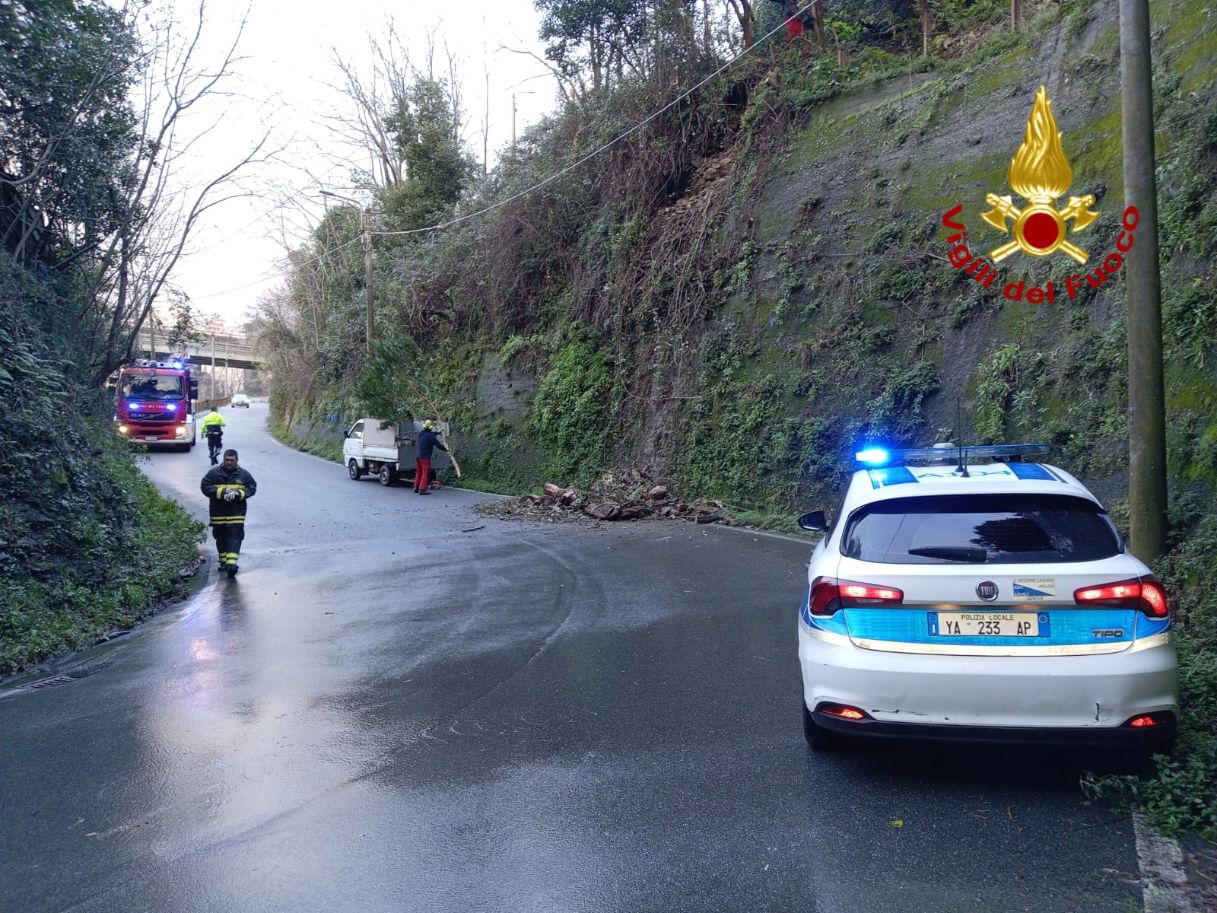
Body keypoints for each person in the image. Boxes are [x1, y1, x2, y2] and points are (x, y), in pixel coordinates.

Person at [200, 449, 257, 577]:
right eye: (227, 460)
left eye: (232, 460)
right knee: (220, 537)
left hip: (236, 512)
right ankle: (223, 562)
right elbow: (205, 487)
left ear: (237, 460)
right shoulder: (213, 473)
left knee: (235, 536)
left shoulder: (244, 475)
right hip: (218, 512)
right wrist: (222, 493)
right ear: (223, 459)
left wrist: (238, 494)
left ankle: (232, 564)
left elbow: (252, 487)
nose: (229, 463)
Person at [414, 420, 448, 495]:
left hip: (418, 455)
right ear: (431, 427)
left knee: (419, 472)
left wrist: (437, 432)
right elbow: (438, 445)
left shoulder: (421, 433)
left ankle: (416, 487)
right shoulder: (431, 436)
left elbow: (430, 435)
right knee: (425, 472)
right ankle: (422, 489)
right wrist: (446, 449)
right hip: (425, 456)